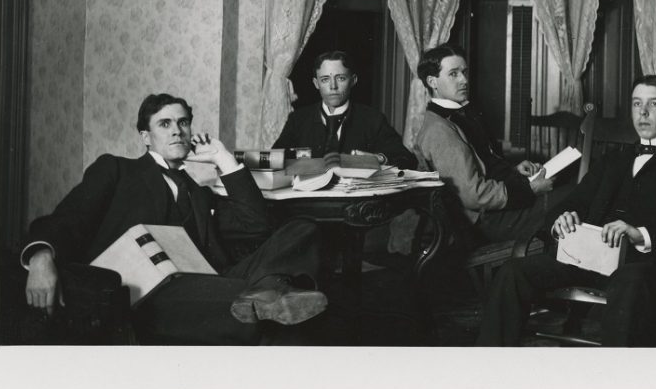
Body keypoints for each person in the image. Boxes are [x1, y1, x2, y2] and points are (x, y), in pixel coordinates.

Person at [22, 93, 327, 345]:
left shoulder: (199, 192)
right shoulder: (117, 170)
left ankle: (268, 290)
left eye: (183, 123)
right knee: (276, 319)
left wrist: (223, 159)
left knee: (303, 228)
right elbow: (68, 217)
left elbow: (256, 226)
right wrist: (40, 256)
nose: (176, 131)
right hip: (151, 293)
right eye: (164, 124)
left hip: (211, 280)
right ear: (146, 136)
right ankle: (270, 296)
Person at [475, 75, 656, 346]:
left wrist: (639, 234)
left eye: (654, 104)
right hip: (588, 259)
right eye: (637, 104)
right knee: (513, 272)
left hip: (640, 268)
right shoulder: (612, 161)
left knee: (629, 283)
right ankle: (490, 368)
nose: (643, 112)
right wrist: (560, 219)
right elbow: (572, 203)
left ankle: (612, 381)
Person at [413, 44, 571, 245]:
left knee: (574, 189)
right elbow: (473, 195)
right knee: (576, 195)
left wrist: (513, 171)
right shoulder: (439, 130)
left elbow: (478, 165)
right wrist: (530, 189)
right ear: (432, 82)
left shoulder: (456, 116)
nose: (464, 80)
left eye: (464, 72)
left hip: (494, 210)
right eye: (453, 74)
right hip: (484, 223)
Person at [273, 50, 417, 169]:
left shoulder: (372, 119)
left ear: (353, 80)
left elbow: (407, 159)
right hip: (307, 198)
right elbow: (275, 158)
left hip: (354, 199)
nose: (333, 86)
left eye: (340, 78)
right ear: (316, 83)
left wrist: (378, 159)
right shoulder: (298, 119)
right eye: (325, 80)